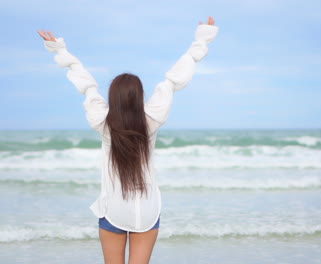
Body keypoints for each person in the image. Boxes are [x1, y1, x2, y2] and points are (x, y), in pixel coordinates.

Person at [37, 16, 218, 264]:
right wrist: (202, 39)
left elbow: (88, 86)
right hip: (147, 210)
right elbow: (172, 81)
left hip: (113, 211)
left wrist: (61, 50)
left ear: (113, 98)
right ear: (140, 96)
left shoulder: (103, 122)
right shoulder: (151, 120)